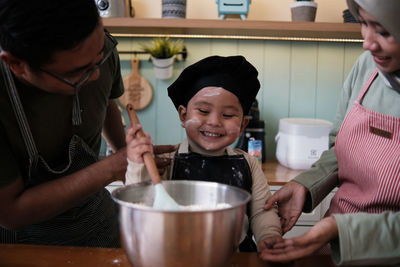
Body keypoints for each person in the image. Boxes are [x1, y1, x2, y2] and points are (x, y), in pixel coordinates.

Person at [0, 0, 173, 247]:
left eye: (99, 59)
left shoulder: (96, 47)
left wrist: (127, 159)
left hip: (97, 224)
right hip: (21, 245)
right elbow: (10, 212)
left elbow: (105, 102)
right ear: (17, 65)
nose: (96, 76)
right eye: (77, 74)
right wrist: (114, 166)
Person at [260, 0, 400, 265]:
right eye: (363, 24)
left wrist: (342, 230)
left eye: (383, 31)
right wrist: (306, 184)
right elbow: (341, 146)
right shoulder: (367, 66)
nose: (367, 43)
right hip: (335, 247)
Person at [125, 55, 282, 252]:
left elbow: (261, 212)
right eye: (203, 111)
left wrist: (269, 235)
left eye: (227, 115)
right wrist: (137, 164)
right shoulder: (167, 162)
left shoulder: (248, 164)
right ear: (183, 115)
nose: (215, 122)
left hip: (235, 258)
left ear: (242, 125)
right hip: (177, 258)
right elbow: (141, 202)